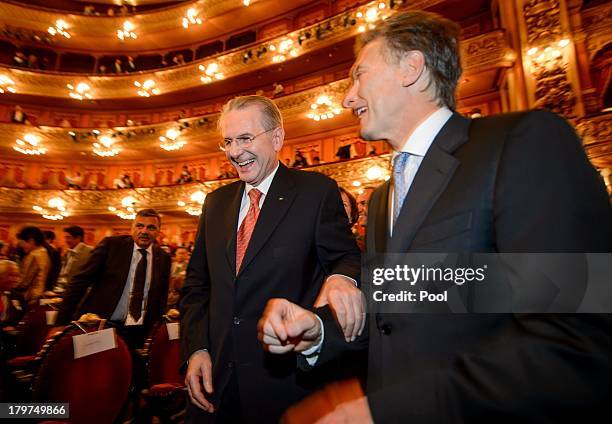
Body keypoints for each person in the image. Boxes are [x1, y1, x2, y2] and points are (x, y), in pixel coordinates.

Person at [258, 10, 612, 424]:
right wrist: (319, 332)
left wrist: (385, 412)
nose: (347, 97)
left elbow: (575, 339)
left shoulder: (522, 143)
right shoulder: (382, 199)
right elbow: (394, 312)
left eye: (359, 75)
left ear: (412, 67)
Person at [180, 95, 362, 423]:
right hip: (217, 381)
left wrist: (341, 277)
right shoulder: (215, 203)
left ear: (276, 138)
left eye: (246, 138)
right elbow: (197, 285)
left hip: (284, 385)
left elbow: (346, 257)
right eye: (228, 142)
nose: (235, 152)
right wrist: (196, 349)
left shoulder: (316, 192)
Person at [55, 209, 171, 349]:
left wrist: (156, 330)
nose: (144, 231)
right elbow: (80, 282)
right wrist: (61, 323)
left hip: (138, 332)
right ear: (132, 228)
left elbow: (161, 298)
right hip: (100, 326)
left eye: (151, 227)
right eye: (140, 226)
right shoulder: (112, 246)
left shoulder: (163, 258)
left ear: (158, 231)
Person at [15, 226, 50, 304]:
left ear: (31, 241)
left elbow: (23, 281)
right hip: (39, 294)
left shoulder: (33, 255)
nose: (20, 245)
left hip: (30, 297)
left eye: (22, 242)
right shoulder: (44, 252)